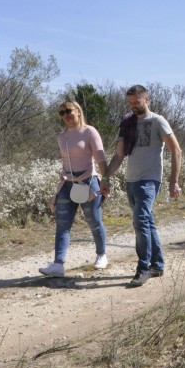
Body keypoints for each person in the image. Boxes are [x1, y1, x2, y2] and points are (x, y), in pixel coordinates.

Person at [106, 85, 182, 288]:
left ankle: (143, 269)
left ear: (146, 99)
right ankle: (157, 265)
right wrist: (105, 177)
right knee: (147, 222)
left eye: (136, 102)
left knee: (140, 221)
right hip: (131, 180)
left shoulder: (157, 121)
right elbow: (119, 154)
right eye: (130, 103)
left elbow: (176, 150)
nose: (133, 106)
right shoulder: (127, 122)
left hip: (150, 180)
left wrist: (173, 181)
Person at [40, 101, 111, 278]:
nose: (65, 115)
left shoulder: (89, 131)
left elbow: (100, 155)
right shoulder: (62, 136)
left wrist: (105, 179)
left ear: (78, 111)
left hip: (88, 181)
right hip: (68, 183)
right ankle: (58, 264)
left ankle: (101, 255)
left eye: (69, 111)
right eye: (62, 113)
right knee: (62, 225)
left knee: (94, 221)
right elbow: (66, 160)